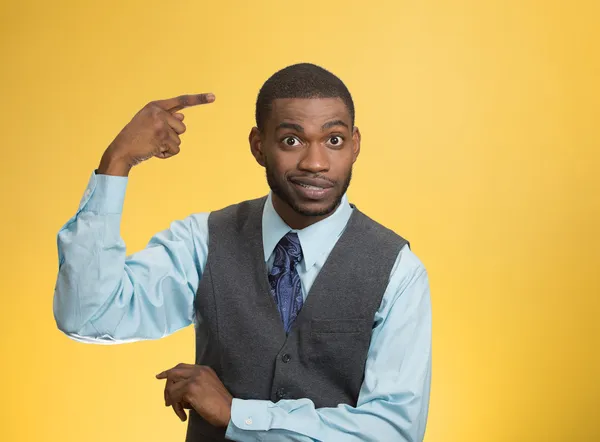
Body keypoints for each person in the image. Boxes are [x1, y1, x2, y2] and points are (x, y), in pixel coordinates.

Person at [53, 63, 432, 441]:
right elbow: (89, 316)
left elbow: (393, 431)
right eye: (291, 141)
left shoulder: (397, 270)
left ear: (355, 145)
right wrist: (116, 163)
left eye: (333, 140)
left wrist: (238, 414)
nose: (315, 163)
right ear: (258, 146)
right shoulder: (203, 240)